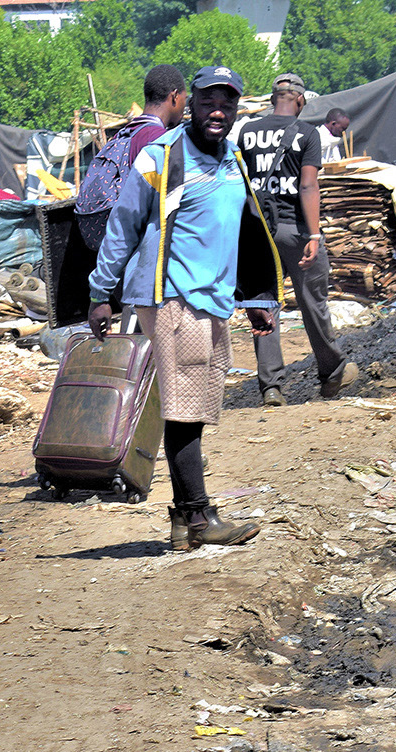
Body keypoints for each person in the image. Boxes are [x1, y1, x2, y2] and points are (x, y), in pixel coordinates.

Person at [87, 66, 280, 552]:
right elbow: (124, 224)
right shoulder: (162, 155)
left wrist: (255, 298)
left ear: (236, 109)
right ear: (188, 103)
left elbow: (246, 229)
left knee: (190, 408)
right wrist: (100, 292)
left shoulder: (232, 157)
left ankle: (185, 522)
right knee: (184, 410)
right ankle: (196, 517)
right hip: (173, 296)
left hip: (211, 299)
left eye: (227, 103)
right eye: (208, 102)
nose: (218, 111)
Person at [234, 72, 356, 406]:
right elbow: (307, 186)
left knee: (263, 303)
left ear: (274, 98)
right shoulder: (308, 133)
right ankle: (332, 373)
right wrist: (314, 234)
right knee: (312, 301)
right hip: (295, 231)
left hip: (257, 231)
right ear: (300, 101)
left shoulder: (247, 132)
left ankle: (271, 386)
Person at [75, 66, 188, 251]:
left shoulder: (128, 131)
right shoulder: (158, 139)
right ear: (175, 96)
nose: (185, 106)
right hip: (142, 249)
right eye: (185, 98)